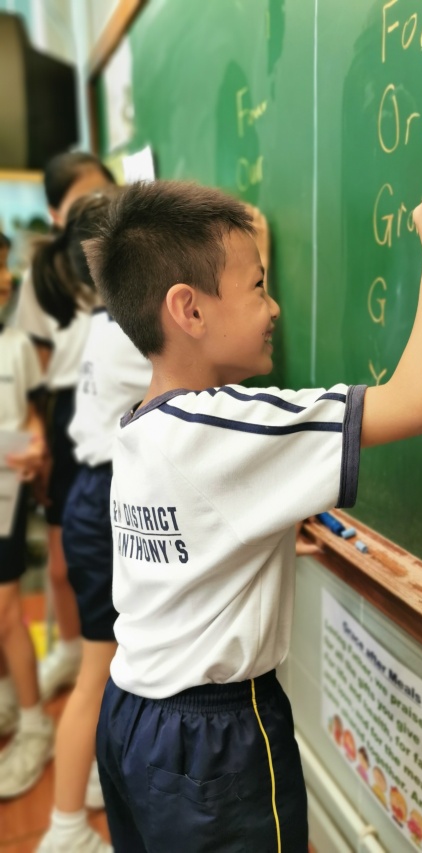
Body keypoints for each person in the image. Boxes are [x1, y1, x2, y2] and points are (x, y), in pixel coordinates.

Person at [89, 176, 422, 852]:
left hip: (131, 715)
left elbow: (190, 548)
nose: (276, 307)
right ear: (189, 309)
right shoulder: (220, 427)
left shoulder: (142, 425)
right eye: (260, 287)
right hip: (212, 743)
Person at [35, 190, 151, 852]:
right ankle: (66, 828)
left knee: (102, 665)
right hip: (102, 497)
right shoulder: (131, 333)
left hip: (92, 492)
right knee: (97, 669)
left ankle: (88, 791)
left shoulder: (103, 323)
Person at [9, 152, 115, 710]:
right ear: (54, 213)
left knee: (102, 551)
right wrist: (38, 437)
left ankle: (95, 658)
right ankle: (72, 651)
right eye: (81, 201)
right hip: (67, 408)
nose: (96, 207)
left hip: (116, 404)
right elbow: (36, 361)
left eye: (104, 193)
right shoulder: (47, 273)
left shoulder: (125, 253)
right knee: (61, 557)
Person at [0, 279, 53, 797]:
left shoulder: (16, 344)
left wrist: (36, 441)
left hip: (4, 486)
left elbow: (32, 412)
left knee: (5, 611)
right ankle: (8, 698)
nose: (3, 281)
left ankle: (35, 725)